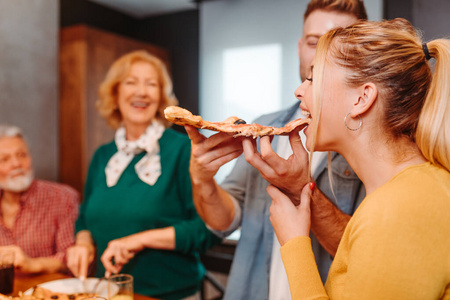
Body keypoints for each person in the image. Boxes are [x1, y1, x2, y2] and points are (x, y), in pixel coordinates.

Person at [246, 18, 450, 299]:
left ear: (361, 99)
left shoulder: (399, 209)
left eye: (314, 78)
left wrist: (294, 243)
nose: (299, 90)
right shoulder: (402, 194)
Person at [185, 0, 367, 299]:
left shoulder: (367, 140)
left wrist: (301, 189)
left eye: (335, 42)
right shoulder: (262, 128)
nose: (319, 54)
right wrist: (202, 179)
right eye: (313, 42)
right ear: (299, 47)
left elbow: (365, 255)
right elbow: (224, 221)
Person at [66, 50, 221, 300]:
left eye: (151, 84)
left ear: (161, 98)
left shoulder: (184, 150)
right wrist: (82, 243)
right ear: (115, 95)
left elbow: (206, 229)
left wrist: (139, 240)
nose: (141, 92)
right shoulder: (102, 156)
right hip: (105, 292)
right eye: (131, 82)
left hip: (169, 294)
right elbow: (84, 218)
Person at [0, 125, 80, 274]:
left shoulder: (62, 197)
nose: (16, 164)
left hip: (49, 293)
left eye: (22, 155)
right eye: (4, 159)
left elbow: (73, 258)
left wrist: (34, 264)